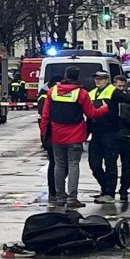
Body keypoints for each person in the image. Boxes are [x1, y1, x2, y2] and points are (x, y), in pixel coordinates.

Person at [39, 66, 109, 209]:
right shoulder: (81, 93)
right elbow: (92, 114)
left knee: (59, 165)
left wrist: (44, 133)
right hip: (75, 135)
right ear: (78, 77)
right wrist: (105, 108)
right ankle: (72, 198)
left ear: (65, 75)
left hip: (57, 135)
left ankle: (59, 197)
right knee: (73, 165)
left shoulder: (53, 91)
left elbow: (45, 116)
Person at [87, 70, 130, 204]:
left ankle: (109, 193)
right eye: (96, 78)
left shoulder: (113, 91)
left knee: (110, 164)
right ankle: (105, 187)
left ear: (107, 80)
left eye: (101, 79)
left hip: (111, 133)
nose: (98, 81)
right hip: (96, 133)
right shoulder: (91, 93)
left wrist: (122, 95)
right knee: (94, 164)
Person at [38, 75, 64, 203]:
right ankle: (54, 191)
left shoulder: (50, 94)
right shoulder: (45, 96)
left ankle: (57, 189)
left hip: (58, 134)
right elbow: (44, 117)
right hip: (50, 135)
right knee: (55, 163)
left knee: (60, 164)